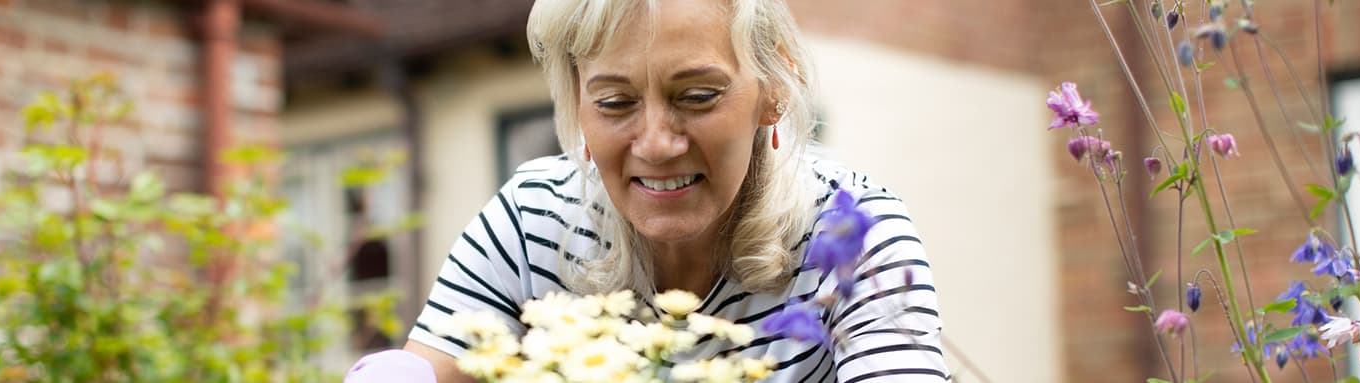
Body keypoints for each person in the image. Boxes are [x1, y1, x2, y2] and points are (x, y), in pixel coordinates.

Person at [382, 0, 948, 381]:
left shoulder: (853, 235)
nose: (656, 144)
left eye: (698, 96)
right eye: (614, 103)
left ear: (774, 85)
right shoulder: (533, 222)